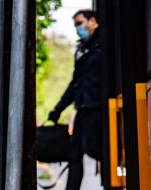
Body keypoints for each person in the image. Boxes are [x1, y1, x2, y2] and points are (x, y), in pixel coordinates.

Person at [47, 9, 102, 190]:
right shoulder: (82, 50)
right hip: (83, 108)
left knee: (92, 147)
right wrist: (58, 109)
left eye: (80, 23)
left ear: (92, 21)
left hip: (97, 108)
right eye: (75, 25)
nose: (78, 28)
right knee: (74, 153)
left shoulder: (104, 46)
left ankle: (111, 177)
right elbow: (75, 84)